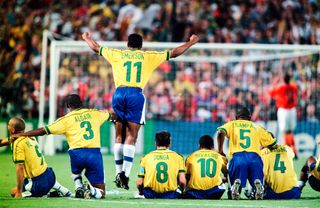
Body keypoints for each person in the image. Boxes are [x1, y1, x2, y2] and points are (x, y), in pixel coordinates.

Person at [82, 31, 199, 189]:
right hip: (135, 95)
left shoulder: (116, 54)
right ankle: (126, 174)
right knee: (132, 135)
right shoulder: (148, 56)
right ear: (141, 46)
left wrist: (86, 38)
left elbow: (96, 48)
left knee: (119, 134)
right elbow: (174, 53)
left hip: (119, 93)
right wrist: (191, 42)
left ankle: (118, 172)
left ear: (127, 44)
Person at [11, 94, 113, 199]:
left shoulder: (65, 120)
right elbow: (111, 116)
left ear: (68, 106)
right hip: (94, 154)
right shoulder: (95, 113)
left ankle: (78, 186)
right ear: (81, 103)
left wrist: (22, 134)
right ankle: (90, 189)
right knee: (101, 192)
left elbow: (43, 131)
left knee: (76, 171)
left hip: (76, 155)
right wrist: (117, 121)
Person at [216, 107, 277, 200]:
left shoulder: (232, 124)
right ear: (250, 117)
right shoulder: (257, 127)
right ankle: (257, 184)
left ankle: (234, 186)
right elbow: (272, 143)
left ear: (236, 117)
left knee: (229, 167)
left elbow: (220, 133)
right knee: (258, 173)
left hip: (238, 158)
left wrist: (220, 151)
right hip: (254, 158)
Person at [8, 117, 71, 198]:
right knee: (36, 174)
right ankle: (59, 187)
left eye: (8, 125)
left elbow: (20, 168)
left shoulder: (17, 143)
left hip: (38, 183)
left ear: (13, 130)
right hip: (50, 175)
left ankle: (46, 194)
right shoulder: (31, 137)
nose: (7, 126)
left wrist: (19, 192)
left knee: (14, 192)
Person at [136, 131, 186, 199]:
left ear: (155, 143)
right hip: (171, 194)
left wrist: (141, 192)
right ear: (169, 144)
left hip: (149, 194)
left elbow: (139, 183)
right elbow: (182, 181)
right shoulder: (178, 158)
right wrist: (182, 191)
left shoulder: (146, 158)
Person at [185, 135, 227, 199]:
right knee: (228, 175)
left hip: (195, 193)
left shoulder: (191, 157)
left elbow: (187, 176)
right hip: (215, 192)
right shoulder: (219, 156)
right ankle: (231, 192)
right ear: (213, 146)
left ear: (199, 146)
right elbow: (226, 173)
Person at [269, 73, 298, 158]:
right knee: (290, 131)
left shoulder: (281, 87)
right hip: (292, 110)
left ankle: (287, 151)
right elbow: (295, 87)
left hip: (284, 110)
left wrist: (275, 82)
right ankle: (294, 150)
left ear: (283, 80)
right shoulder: (293, 87)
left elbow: (271, 92)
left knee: (284, 132)